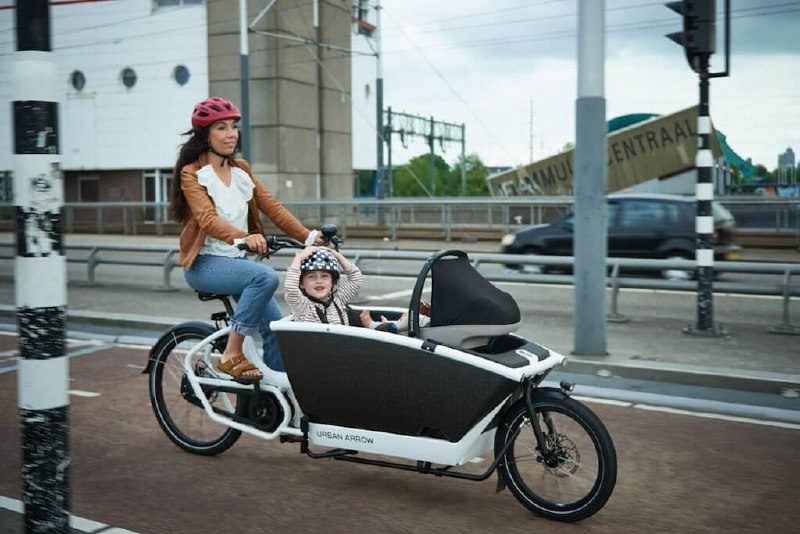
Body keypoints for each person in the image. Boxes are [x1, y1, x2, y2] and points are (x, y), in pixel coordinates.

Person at [170, 96, 319, 381]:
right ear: (205, 135)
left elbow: (271, 205)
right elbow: (207, 219)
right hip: (205, 265)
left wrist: (309, 236)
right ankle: (231, 352)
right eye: (221, 128)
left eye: (234, 127)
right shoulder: (192, 174)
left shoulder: (241, 170)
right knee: (265, 277)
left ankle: (276, 399)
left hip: (237, 265)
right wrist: (245, 237)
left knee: (278, 329)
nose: (231, 134)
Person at [284, 247, 363, 324]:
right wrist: (298, 258)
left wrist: (338, 256)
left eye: (324, 276)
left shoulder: (339, 299)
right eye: (311, 277)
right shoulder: (303, 306)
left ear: (332, 282)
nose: (319, 281)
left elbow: (356, 278)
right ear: (301, 284)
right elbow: (291, 288)